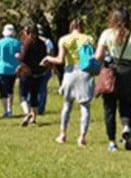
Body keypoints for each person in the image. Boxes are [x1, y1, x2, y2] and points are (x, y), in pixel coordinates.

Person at [94, 9, 131, 152]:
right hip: (130, 72)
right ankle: (126, 127)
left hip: (112, 71)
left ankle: (112, 142)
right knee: (127, 105)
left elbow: (98, 56)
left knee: (109, 108)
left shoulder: (107, 34)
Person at [41, 18, 96, 147]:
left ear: (71, 27)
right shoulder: (89, 39)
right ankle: (82, 136)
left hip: (70, 72)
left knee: (67, 105)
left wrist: (48, 58)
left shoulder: (64, 40)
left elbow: (60, 60)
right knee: (85, 106)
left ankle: (63, 134)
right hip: (85, 71)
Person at [16, 24, 48, 127]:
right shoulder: (42, 43)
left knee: (22, 95)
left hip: (27, 72)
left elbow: (22, 57)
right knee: (34, 95)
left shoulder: (27, 43)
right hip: (38, 72)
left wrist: (17, 56)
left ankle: (27, 113)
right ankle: (34, 118)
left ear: (28, 32)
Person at [0, 24, 22, 118]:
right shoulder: (18, 43)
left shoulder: (0, 42)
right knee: (10, 90)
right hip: (14, 69)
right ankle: (10, 109)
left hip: (2, 69)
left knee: (3, 91)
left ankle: (5, 111)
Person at [36, 24, 55, 115]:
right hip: (46, 67)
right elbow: (51, 54)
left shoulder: (33, 41)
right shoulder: (48, 42)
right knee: (43, 88)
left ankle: (33, 107)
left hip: (36, 67)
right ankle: (41, 108)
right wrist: (51, 67)